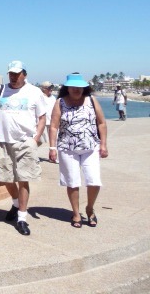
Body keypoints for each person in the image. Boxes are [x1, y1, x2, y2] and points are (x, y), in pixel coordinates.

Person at [0, 60, 47, 236]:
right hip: (4, 141)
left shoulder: (34, 92)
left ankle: (22, 217)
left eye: (17, 74)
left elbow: (42, 117)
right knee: (5, 177)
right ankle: (15, 203)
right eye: (11, 74)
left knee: (23, 178)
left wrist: (35, 139)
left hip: (25, 141)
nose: (13, 77)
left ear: (24, 74)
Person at [49, 73, 108, 228]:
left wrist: (103, 144)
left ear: (84, 88)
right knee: (72, 182)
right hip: (67, 148)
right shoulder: (60, 102)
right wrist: (52, 148)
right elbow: (54, 126)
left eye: (80, 87)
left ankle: (89, 208)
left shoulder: (92, 101)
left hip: (90, 147)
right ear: (67, 88)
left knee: (94, 180)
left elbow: (101, 123)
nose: (76, 90)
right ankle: (76, 213)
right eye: (73, 87)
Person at [40, 81, 56, 146]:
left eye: (52, 87)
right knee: (44, 142)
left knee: (52, 140)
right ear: (44, 89)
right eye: (49, 88)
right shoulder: (40, 97)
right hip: (43, 123)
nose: (51, 89)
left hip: (52, 123)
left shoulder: (53, 98)